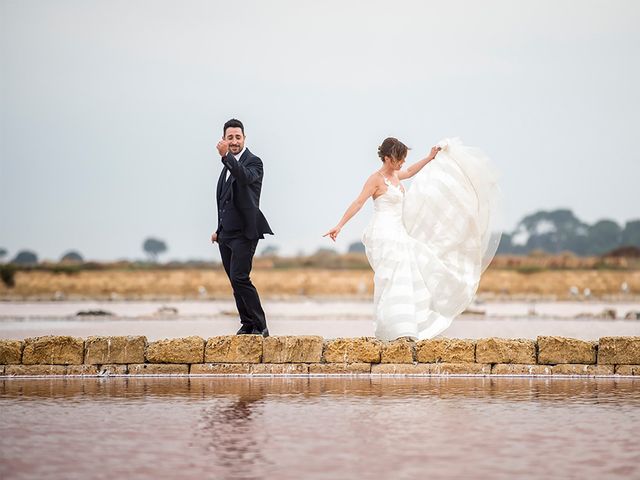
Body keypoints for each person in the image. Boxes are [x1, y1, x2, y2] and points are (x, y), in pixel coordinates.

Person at [324, 137, 501, 341]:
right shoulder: (375, 179)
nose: (403, 163)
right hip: (383, 232)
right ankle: (393, 327)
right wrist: (339, 225)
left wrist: (429, 158)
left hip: (399, 232)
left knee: (409, 272)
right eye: (400, 159)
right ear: (388, 158)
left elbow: (410, 172)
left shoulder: (398, 175)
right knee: (392, 275)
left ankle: (404, 327)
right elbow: (358, 202)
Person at [211, 119, 273, 337]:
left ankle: (260, 325)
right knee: (233, 281)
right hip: (225, 235)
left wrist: (226, 157)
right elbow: (224, 201)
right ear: (224, 139)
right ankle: (247, 324)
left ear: (244, 138)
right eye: (230, 137)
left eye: (238, 137)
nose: (234, 141)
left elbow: (244, 178)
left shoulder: (254, 162)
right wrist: (218, 230)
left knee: (240, 277)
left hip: (246, 232)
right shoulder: (226, 166)